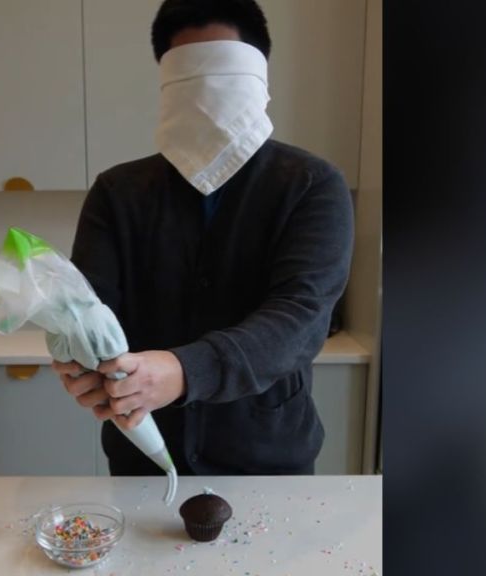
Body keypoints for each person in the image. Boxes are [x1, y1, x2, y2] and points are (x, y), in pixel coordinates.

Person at [52, 0, 353, 476]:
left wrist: (185, 371)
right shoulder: (117, 192)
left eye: (223, 73)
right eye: (191, 77)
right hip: (144, 460)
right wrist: (83, 363)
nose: (209, 95)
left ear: (259, 75)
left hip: (268, 460)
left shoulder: (312, 184)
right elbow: (88, 310)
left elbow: (300, 318)